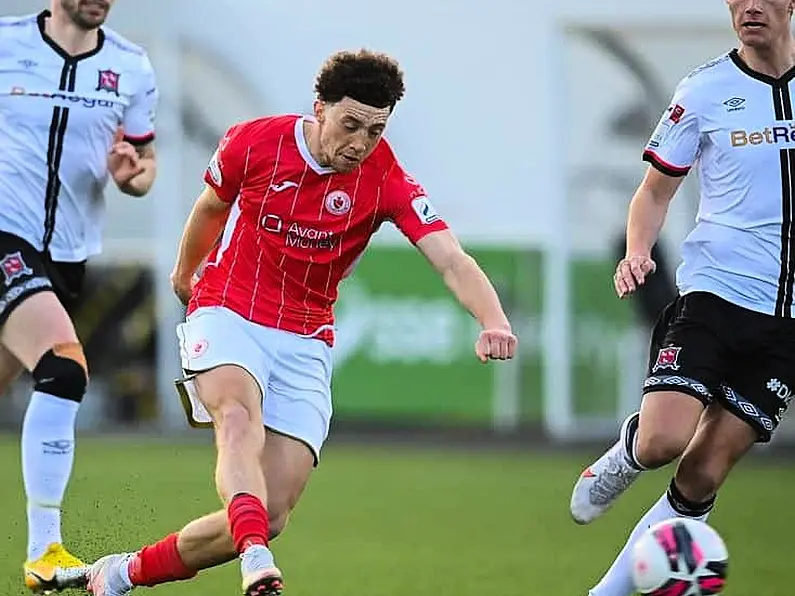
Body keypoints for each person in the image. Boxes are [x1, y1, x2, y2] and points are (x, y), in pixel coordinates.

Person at [74, 49, 517, 596]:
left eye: (375, 130)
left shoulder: (386, 178)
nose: (360, 142)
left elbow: (450, 258)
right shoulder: (254, 142)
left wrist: (492, 319)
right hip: (228, 306)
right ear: (320, 109)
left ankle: (122, 572)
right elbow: (210, 209)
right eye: (350, 124)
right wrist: (186, 275)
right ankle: (255, 556)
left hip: (306, 335)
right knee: (238, 419)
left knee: (272, 510)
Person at [569, 0, 795, 594]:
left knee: (702, 474)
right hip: (715, 296)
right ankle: (629, 447)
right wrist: (637, 250)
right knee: (665, 441)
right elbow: (653, 192)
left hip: (787, 324)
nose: (750, 7)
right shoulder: (705, 90)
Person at [0, 1, 158, 592]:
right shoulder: (6, 41)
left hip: (68, 257)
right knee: (64, 369)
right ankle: (46, 550)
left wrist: (131, 176)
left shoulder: (132, 66)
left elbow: (145, 162)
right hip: (4, 236)